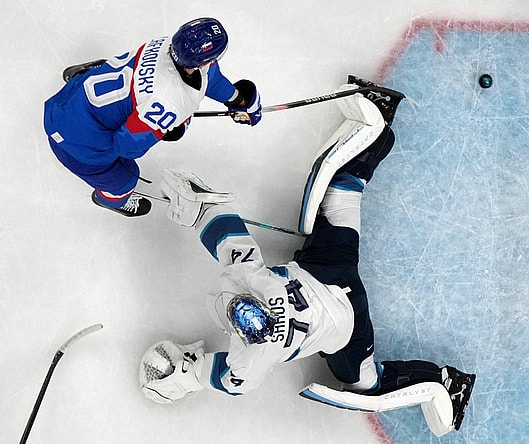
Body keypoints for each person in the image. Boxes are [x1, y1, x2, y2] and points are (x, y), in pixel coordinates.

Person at [138, 79, 476, 436]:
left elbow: (225, 378)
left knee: (367, 384)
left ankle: (444, 383)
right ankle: (378, 124)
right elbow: (232, 241)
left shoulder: (251, 352)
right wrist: (196, 208)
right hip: (328, 269)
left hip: (345, 320)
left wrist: (184, 377)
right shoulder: (251, 284)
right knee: (339, 194)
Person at [43, 17, 263, 217]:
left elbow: (208, 76)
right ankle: (110, 199)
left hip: (72, 97)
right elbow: (126, 147)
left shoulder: (167, 44)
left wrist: (238, 99)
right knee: (126, 177)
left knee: (116, 81)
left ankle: (88, 72)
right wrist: (166, 127)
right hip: (72, 140)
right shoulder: (169, 101)